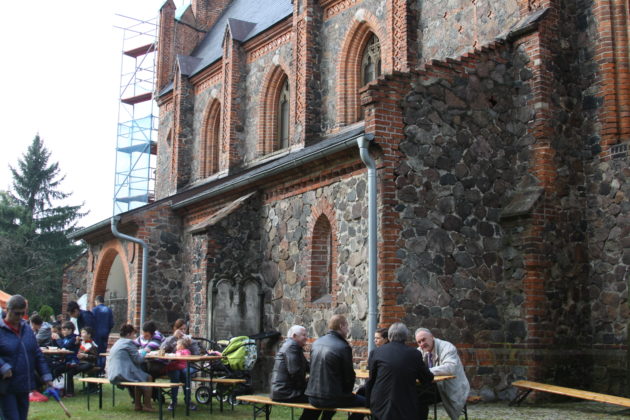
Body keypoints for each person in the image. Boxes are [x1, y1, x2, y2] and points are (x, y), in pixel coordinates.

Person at [0, 295, 54, 420]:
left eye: (22, 313)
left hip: (24, 385)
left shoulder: (27, 329)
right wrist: (2, 366)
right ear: (7, 310)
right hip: (5, 386)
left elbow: (37, 353)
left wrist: (46, 375)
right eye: (16, 313)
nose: (20, 317)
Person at [365, 323, 434, 420]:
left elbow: (371, 380)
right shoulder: (414, 354)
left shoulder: (376, 352)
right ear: (406, 336)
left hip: (380, 404)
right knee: (422, 404)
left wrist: (368, 402)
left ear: (389, 336)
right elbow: (427, 378)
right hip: (405, 405)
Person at [305, 315, 365, 420]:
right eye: (347, 326)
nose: (348, 330)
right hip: (332, 398)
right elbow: (349, 377)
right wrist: (347, 393)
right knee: (369, 403)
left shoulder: (316, 343)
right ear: (341, 326)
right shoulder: (343, 346)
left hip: (312, 396)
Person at [415, 328, 470, 420]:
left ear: (432, 337)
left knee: (418, 398)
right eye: (419, 342)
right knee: (413, 395)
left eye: (424, 340)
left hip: (451, 387)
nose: (422, 344)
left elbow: (450, 368)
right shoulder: (420, 350)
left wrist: (426, 372)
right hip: (434, 386)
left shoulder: (447, 347)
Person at [271, 325, 320, 420]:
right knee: (318, 400)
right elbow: (295, 372)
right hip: (285, 392)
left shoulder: (293, 347)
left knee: (317, 397)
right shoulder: (291, 347)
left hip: (283, 390)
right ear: (294, 336)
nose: (306, 338)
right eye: (303, 335)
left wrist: (321, 369)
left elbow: (308, 367)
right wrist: (306, 385)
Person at [107, 323, 155, 412]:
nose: (134, 336)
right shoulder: (129, 343)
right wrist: (145, 351)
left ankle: (137, 405)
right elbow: (139, 360)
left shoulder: (117, 342)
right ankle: (147, 405)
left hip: (113, 373)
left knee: (139, 377)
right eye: (133, 334)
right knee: (148, 377)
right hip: (121, 373)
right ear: (129, 334)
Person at [165, 337, 197, 411]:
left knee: (185, 373)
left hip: (184, 366)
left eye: (177, 345)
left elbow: (193, 355)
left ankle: (188, 400)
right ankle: (173, 401)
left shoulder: (189, 346)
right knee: (175, 375)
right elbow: (163, 348)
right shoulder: (170, 341)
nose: (176, 346)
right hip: (175, 367)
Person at [52, 321, 82, 396]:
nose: (63, 331)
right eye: (62, 330)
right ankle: (60, 387)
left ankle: (68, 391)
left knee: (66, 371)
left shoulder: (74, 338)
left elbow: (65, 347)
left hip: (73, 361)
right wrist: (54, 340)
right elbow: (60, 347)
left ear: (70, 330)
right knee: (55, 369)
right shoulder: (65, 338)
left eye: (65, 330)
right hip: (65, 360)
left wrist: (58, 339)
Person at [91, 296, 114, 367]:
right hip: (105, 333)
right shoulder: (108, 310)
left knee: (96, 351)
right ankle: (102, 367)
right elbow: (111, 323)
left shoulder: (94, 310)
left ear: (96, 301)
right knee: (103, 351)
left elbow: (92, 322)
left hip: (96, 334)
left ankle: (97, 367)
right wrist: (108, 330)